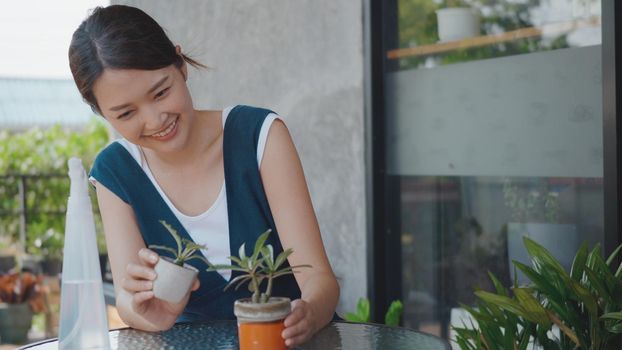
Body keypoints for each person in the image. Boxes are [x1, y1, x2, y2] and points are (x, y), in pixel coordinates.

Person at [68, 5, 339, 347]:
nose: (154, 121)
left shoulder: (259, 136)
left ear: (180, 65)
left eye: (161, 92)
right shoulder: (115, 171)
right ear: (102, 113)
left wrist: (310, 313)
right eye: (126, 113)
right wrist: (144, 311)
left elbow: (319, 279)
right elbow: (127, 296)